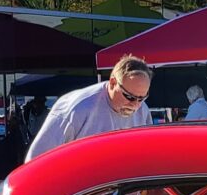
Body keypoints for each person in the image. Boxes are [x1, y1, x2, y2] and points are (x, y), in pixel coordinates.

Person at [25, 55, 154, 162]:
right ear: (113, 82)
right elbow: (36, 160)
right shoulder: (78, 108)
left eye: (142, 98)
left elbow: (148, 155)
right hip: (80, 189)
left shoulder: (143, 110)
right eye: (129, 97)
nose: (136, 105)